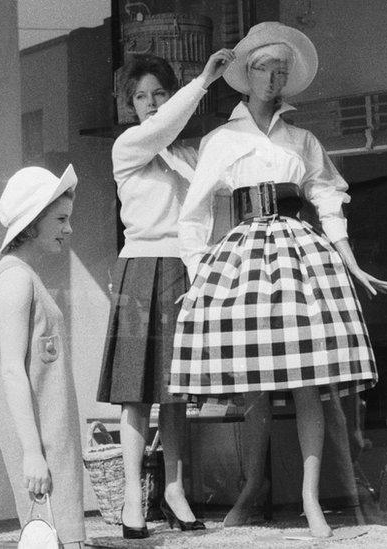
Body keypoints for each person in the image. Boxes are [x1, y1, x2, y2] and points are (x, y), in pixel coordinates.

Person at [170, 22, 387, 538]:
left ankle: (312, 499)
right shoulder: (220, 139)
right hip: (245, 259)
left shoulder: (303, 139)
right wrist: (198, 272)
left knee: (308, 382)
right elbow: (194, 213)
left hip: (298, 258)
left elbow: (329, 199)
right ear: (246, 75)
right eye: (265, 68)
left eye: (282, 70)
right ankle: (252, 490)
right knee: (254, 385)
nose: (274, 77)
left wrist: (351, 261)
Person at [95, 49, 235, 538]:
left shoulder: (187, 154)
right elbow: (162, 128)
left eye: (160, 94)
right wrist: (201, 83)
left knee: (175, 393)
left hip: (182, 268)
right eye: (141, 96)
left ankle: (174, 491)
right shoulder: (129, 146)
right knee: (134, 394)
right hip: (138, 268)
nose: (151, 104)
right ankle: (135, 496)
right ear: (129, 106)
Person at [0, 165, 84, 547]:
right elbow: (11, 371)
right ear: (31, 223)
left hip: (53, 439)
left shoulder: (24, 276)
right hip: (42, 445)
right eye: (59, 219)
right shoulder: (14, 280)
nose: (68, 228)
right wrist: (31, 454)